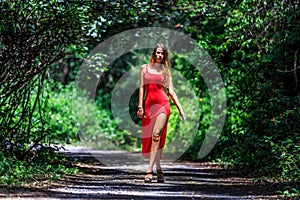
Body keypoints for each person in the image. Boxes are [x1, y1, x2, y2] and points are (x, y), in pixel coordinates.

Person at [137, 43, 186, 183]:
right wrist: (140, 106)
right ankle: (159, 168)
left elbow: (171, 91)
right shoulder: (144, 68)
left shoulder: (166, 71)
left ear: (165, 56)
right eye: (158, 53)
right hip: (148, 106)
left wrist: (180, 109)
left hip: (163, 105)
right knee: (151, 139)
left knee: (156, 135)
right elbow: (141, 89)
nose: (160, 55)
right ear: (154, 53)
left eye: (162, 53)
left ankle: (149, 170)